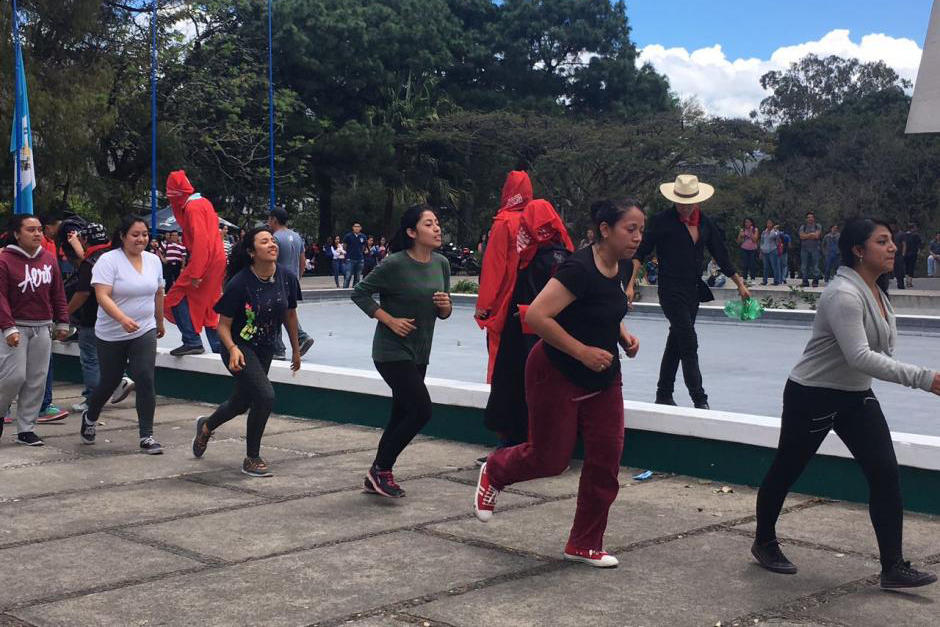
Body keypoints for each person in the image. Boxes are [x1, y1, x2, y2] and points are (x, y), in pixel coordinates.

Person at [752, 217, 938, 590]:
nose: (892, 247)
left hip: (855, 395)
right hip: (813, 394)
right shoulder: (843, 294)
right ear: (858, 250)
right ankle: (764, 541)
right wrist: (925, 378)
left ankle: (893, 567)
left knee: (885, 472)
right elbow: (860, 356)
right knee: (787, 468)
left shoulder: (875, 291)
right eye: (882, 241)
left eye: (891, 240)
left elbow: (874, 354)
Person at [474, 199, 642, 569]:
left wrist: (624, 336)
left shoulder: (625, 267)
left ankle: (585, 543)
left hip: (603, 377)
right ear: (604, 229)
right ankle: (496, 470)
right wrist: (582, 352)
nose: (637, 237)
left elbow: (605, 308)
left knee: (606, 461)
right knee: (550, 459)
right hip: (555, 371)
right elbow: (537, 315)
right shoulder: (577, 268)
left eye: (640, 230)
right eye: (630, 229)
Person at [351, 204, 451, 497]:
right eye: (428, 224)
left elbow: (443, 311)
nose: (436, 228)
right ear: (411, 232)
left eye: (437, 223)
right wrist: (390, 320)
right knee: (421, 410)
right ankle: (381, 469)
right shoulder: (394, 264)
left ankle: (377, 475)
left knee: (401, 413)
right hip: (391, 351)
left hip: (420, 351)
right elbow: (359, 293)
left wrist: (445, 307)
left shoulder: (442, 263)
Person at [627, 175, 750, 410]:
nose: (684, 207)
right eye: (680, 202)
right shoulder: (662, 221)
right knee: (688, 341)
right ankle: (700, 400)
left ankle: (663, 394)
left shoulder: (705, 223)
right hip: (670, 290)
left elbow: (721, 254)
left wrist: (740, 284)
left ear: (697, 200)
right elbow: (640, 253)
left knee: (677, 341)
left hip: (692, 290)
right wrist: (630, 285)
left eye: (688, 202)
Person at [191, 227, 303, 477]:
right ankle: (252, 458)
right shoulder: (240, 283)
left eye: (273, 240)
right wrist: (232, 349)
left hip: (265, 348)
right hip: (238, 347)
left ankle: (206, 426)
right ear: (252, 252)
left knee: (241, 402)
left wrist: (296, 350)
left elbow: (290, 315)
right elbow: (222, 326)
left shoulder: (286, 278)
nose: (272, 244)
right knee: (265, 395)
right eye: (264, 242)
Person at [476, 191, 574, 462]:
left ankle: (521, 447)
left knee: (520, 388)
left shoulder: (540, 256)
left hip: (528, 336)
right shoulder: (561, 256)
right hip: (539, 335)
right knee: (531, 389)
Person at [79, 216, 165, 454]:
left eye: (144, 235)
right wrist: (122, 319)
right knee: (109, 381)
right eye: (135, 235)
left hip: (144, 328)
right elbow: (102, 295)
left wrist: (159, 321)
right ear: (122, 236)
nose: (141, 239)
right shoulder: (108, 261)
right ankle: (91, 416)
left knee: (145, 377)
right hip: (112, 332)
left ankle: (146, 435)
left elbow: (158, 292)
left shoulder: (153, 260)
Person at [0, 215, 70, 446]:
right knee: (13, 377)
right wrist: (8, 327)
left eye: (39, 229)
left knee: (36, 380)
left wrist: (62, 321)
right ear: (17, 234)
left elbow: (58, 292)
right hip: (14, 328)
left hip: (42, 326)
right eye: (31, 230)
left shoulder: (48, 258)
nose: (37, 233)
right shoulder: (4, 260)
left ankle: (26, 429)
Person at [66, 223, 136, 413]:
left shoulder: (90, 263)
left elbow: (82, 293)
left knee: (90, 358)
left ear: (85, 240)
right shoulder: (116, 258)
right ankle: (121, 378)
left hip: (92, 318)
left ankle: (92, 398)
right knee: (110, 356)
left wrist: (65, 312)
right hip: (116, 316)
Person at [163, 170, 226, 356]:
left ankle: (192, 341)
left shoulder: (192, 208)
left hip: (205, 260)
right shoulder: (203, 202)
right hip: (216, 259)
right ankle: (219, 347)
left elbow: (200, 241)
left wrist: (197, 272)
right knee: (210, 303)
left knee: (175, 297)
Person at [266, 208, 315, 360]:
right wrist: (297, 277)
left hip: (278, 279)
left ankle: (279, 347)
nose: (268, 223)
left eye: (269, 219)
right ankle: (300, 337)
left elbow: (272, 260)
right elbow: (302, 261)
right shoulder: (297, 236)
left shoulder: (275, 238)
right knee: (286, 311)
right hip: (293, 279)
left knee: (275, 311)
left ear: (274, 220)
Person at [343, 222, 368, 287]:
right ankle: (344, 290)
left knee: (357, 277)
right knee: (348, 276)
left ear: (360, 228)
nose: (356, 228)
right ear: (353, 228)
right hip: (350, 259)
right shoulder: (348, 236)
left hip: (360, 259)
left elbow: (364, 246)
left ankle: (355, 290)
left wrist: (360, 252)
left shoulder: (363, 236)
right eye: (355, 226)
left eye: (358, 227)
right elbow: (344, 246)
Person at [759, 220, 781, 286]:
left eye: (770, 223)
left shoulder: (775, 231)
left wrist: (775, 230)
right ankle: (764, 281)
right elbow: (762, 241)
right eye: (767, 223)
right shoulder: (764, 232)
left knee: (774, 266)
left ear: (772, 224)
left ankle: (776, 281)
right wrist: (761, 251)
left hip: (772, 250)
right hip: (765, 251)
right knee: (765, 267)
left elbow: (777, 237)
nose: (768, 224)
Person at [903, 223, 922, 288]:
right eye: (915, 227)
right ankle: (910, 282)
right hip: (913, 253)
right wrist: (919, 251)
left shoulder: (904, 235)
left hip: (905, 253)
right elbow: (919, 244)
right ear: (912, 228)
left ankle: (906, 281)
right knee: (911, 267)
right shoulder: (916, 235)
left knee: (906, 267)